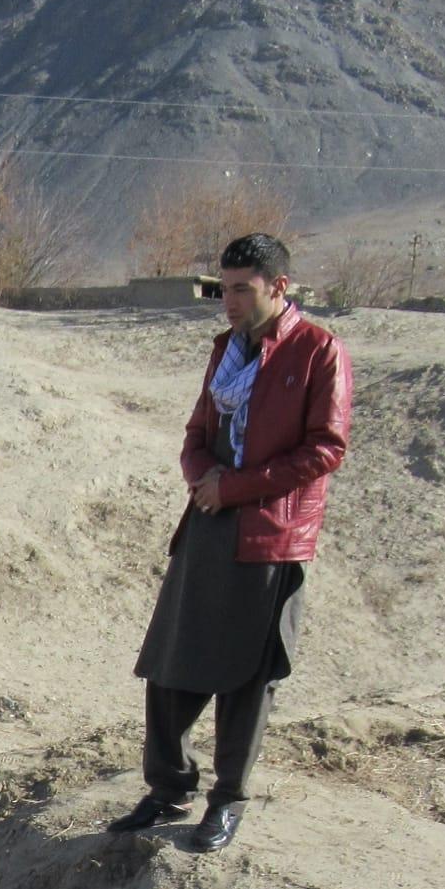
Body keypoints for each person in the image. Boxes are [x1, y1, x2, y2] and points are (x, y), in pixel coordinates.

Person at [111, 233, 351, 853]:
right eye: (225, 289)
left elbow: (326, 449)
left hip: (269, 535)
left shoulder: (318, 352)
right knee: (170, 662)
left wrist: (236, 487)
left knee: (248, 676)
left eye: (243, 289)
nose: (231, 301)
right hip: (209, 520)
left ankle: (227, 802)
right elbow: (197, 434)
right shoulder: (226, 351)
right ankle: (169, 789)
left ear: (279, 287)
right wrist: (203, 479)